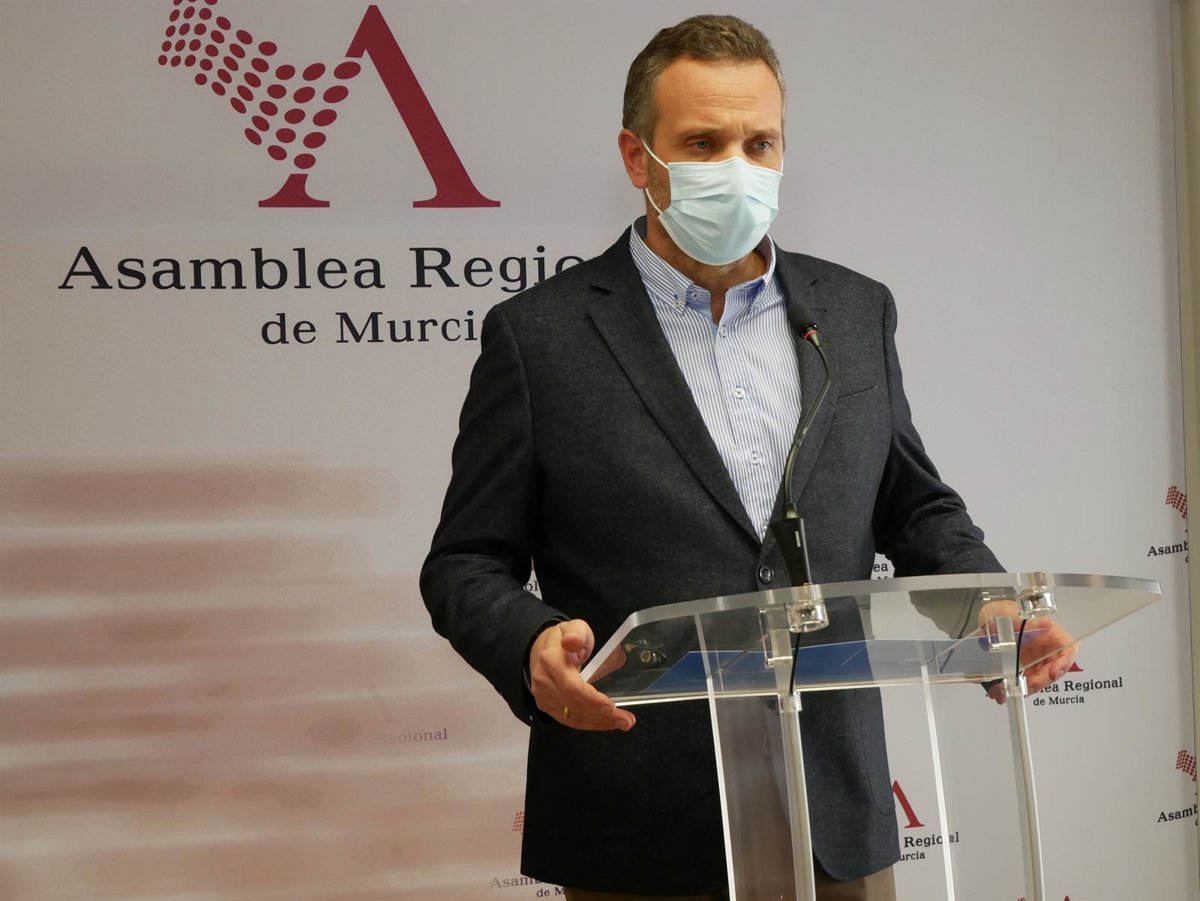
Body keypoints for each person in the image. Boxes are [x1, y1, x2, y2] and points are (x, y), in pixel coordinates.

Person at [421, 14, 1074, 901]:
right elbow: (465, 562)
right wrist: (531, 641)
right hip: (639, 824)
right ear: (637, 157)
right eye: (703, 142)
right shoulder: (540, 339)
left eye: (758, 143)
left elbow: (913, 505)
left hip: (835, 812)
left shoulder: (853, 312)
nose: (737, 166)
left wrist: (989, 601)